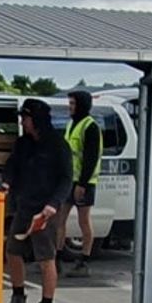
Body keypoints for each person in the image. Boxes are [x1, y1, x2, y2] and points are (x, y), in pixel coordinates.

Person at [0, 97, 73, 303]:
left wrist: (53, 204)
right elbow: (12, 165)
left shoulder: (58, 145)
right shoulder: (23, 144)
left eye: (25, 117)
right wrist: (6, 182)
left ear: (36, 119)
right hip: (24, 205)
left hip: (46, 210)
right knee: (12, 251)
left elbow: (66, 179)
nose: (22, 121)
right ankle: (18, 300)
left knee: (45, 258)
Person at [61, 88, 103, 274]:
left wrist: (83, 184)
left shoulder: (90, 127)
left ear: (81, 105)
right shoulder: (71, 125)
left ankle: (84, 260)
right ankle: (56, 257)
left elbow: (90, 159)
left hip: (83, 182)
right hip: (69, 180)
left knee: (83, 221)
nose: (70, 107)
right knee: (58, 220)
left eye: (72, 103)